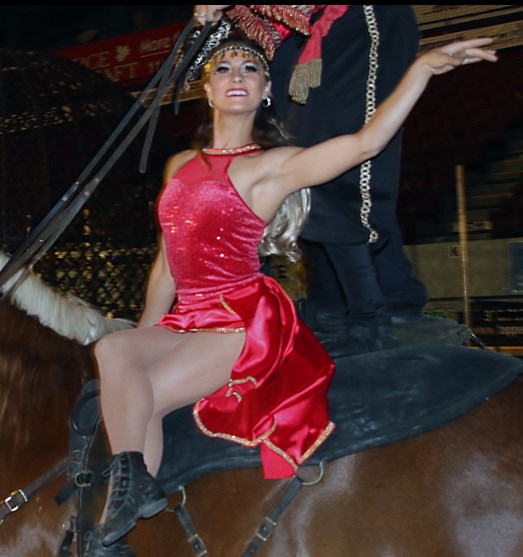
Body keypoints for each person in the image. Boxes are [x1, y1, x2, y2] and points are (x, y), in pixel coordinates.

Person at [61, 31, 497, 557]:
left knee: (146, 400)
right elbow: (167, 259)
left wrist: (421, 67)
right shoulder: (180, 165)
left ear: (266, 91)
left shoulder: (273, 168)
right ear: (207, 87)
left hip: (239, 320)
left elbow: (367, 141)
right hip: (185, 316)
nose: (236, 74)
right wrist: (142, 338)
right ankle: (131, 506)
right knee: (113, 351)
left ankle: (113, 543)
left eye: (251, 68)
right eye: (224, 67)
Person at [199, 5, 473, 357]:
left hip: (355, 16)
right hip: (295, 27)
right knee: (290, 155)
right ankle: (351, 297)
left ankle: (368, 318)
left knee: (330, 155)